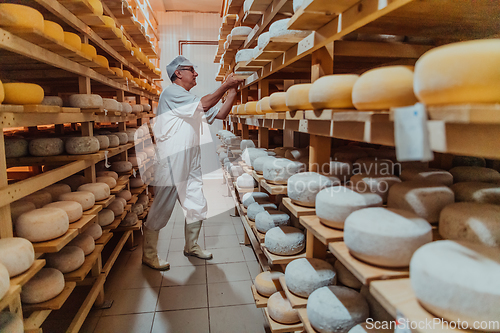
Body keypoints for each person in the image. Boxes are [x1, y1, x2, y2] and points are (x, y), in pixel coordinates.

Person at [142, 55, 242, 270]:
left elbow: (222, 113)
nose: (195, 73)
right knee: (161, 208)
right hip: (171, 162)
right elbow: (205, 105)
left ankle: (191, 246)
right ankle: (149, 254)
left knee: (196, 205)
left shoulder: (189, 99)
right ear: (178, 73)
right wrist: (225, 85)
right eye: (191, 70)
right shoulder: (172, 93)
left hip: (190, 161)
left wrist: (233, 91)